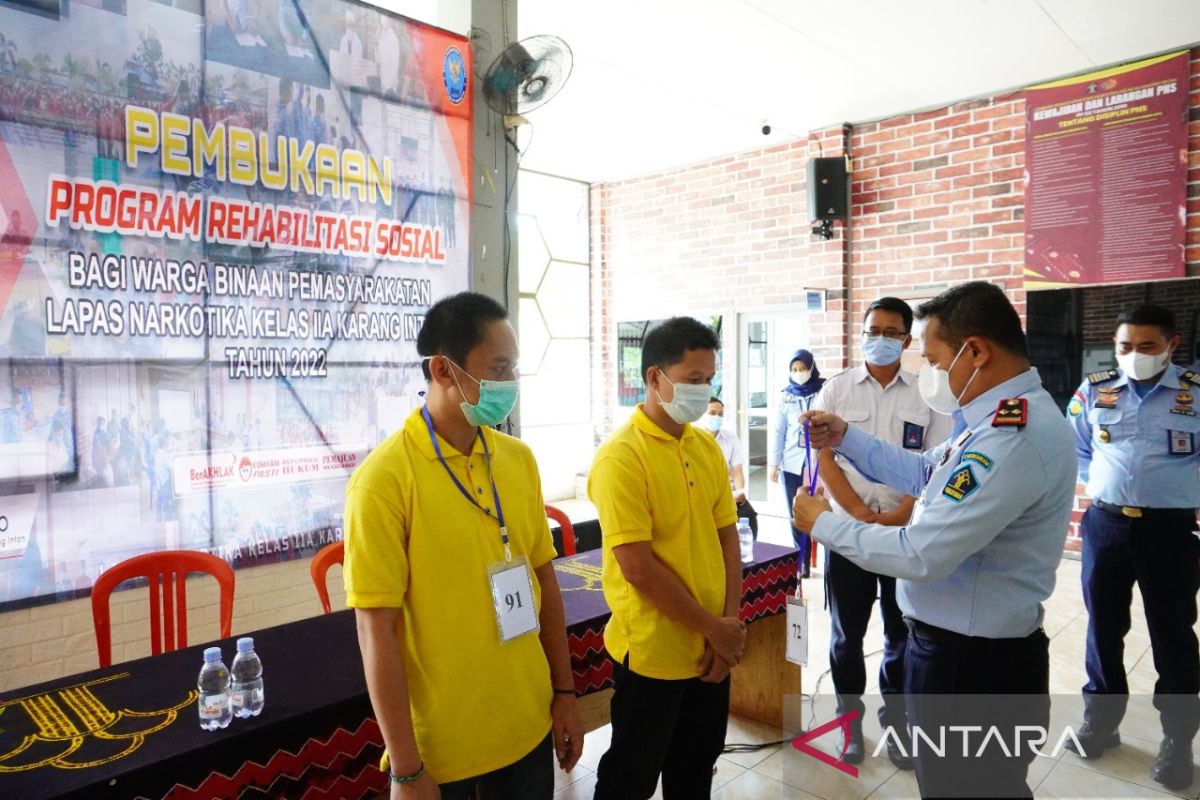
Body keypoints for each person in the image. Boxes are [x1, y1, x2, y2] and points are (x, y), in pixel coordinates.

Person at [795, 281, 1077, 799]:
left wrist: (825, 525)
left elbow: (922, 553)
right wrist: (846, 437)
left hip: (972, 669)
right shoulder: (991, 419)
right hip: (967, 655)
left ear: (975, 352)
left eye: (934, 359)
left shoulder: (1011, 437)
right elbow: (928, 471)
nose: (929, 372)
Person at [343, 292, 583, 799]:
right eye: (498, 368)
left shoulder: (517, 460)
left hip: (527, 725)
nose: (510, 382)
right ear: (443, 370)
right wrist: (406, 769)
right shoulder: (384, 480)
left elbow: (544, 580)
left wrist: (564, 691)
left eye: (513, 367)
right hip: (444, 754)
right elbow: (375, 631)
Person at [588, 317, 746, 799]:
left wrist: (727, 628)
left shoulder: (706, 447)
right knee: (631, 778)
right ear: (654, 377)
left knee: (696, 769)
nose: (704, 391)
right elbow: (638, 568)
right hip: (653, 654)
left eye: (709, 379)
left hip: (709, 647)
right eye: (693, 379)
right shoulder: (621, 457)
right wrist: (712, 626)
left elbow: (728, 540)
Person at [810, 297, 952, 770]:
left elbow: (934, 465)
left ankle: (898, 725)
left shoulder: (927, 394)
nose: (881, 339)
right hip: (847, 534)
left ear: (907, 340)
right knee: (845, 638)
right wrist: (856, 513)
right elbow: (824, 458)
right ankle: (849, 725)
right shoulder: (836, 389)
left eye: (892, 333)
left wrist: (895, 518)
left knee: (900, 636)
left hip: (903, 536)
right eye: (874, 330)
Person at [1064, 303, 1200, 791]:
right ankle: (1100, 722)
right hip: (1106, 524)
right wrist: (1106, 485)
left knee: (1173, 635)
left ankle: (1178, 740)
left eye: (1147, 346)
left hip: (1170, 531)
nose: (1134, 354)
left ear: (1171, 345)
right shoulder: (1094, 389)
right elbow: (1077, 448)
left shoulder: (1195, 393)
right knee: (1102, 628)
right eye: (1126, 346)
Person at [769, 349, 824, 577]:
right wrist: (774, 463)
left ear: (811, 368)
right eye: (794, 369)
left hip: (817, 463)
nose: (798, 373)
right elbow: (778, 431)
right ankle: (800, 560)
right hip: (791, 462)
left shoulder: (824, 390)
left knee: (815, 510)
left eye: (802, 368)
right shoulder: (786, 396)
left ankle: (816, 557)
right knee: (794, 511)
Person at [697, 396, 757, 537]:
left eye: (720, 414)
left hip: (727, 494)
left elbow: (737, 471)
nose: (717, 417)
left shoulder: (730, 438)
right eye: (712, 413)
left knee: (748, 514)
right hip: (702, 496)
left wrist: (739, 492)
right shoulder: (693, 439)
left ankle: (749, 548)